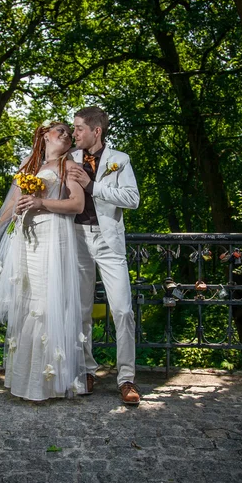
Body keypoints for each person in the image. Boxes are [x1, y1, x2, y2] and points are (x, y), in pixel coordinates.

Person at [0, 122, 87, 401]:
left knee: (45, 305)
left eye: (69, 133)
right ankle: (25, 381)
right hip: (26, 239)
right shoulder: (29, 163)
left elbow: (77, 205)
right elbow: (13, 202)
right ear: (44, 135)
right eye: (59, 130)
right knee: (27, 302)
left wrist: (40, 203)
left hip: (52, 236)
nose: (66, 134)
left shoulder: (67, 165)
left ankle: (47, 383)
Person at [68, 106, 141, 405]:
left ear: (96, 131)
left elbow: (132, 199)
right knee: (81, 311)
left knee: (123, 310)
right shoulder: (68, 158)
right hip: (76, 241)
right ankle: (87, 371)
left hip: (110, 243)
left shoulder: (119, 160)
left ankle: (127, 379)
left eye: (79, 129)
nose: (74, 134)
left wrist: (93, 186)